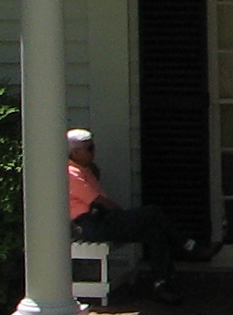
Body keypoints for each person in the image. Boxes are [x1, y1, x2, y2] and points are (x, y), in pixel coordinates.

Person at [66, 128, 178, 304]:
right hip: (89, 224)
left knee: (155, 234)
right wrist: (122, 215)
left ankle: (162, 283)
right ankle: (188, 245)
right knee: (153, 212)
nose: (94, 152)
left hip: (101, 219)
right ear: (75, 152)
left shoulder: (84, 169)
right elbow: (99, 201)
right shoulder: (71, 173)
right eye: (90, 149)